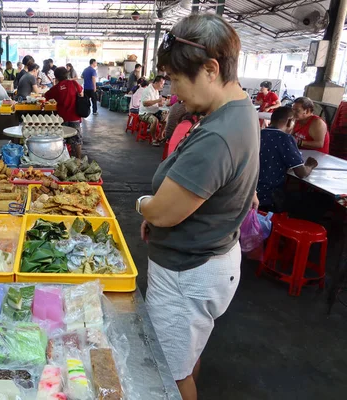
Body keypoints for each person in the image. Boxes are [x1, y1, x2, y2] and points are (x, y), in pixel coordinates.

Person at [137, 14, 259, 400]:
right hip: (207, 256)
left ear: (211, 69)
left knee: (170, 372)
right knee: (184, 359)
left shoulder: (220, 134)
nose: (172, 91)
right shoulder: (236, 111)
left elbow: (163, 212)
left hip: (187, 270)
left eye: (175, 79)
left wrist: (147, 207)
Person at [257, 106, 318, 210]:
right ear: (290, 121)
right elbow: (301, 173)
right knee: (315, 201)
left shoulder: (259, 134)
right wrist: (310, 165)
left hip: (250, 192)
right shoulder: (285, 138)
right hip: (269, 196)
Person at [45, 67, 84, 158]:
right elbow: (81, 93)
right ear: (67, 75)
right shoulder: (74, 83)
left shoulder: (57, 87)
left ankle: (64, 158)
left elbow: (46, 96)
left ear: (56, 77)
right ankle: (78, 160)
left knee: (62, 139)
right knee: (77, 139)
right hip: (75, 116)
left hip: (62, 117)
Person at [139, 75, 166, 145]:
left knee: (167, 118)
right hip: (144, 113)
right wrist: (158, 100)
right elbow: (145, 103)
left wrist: (159, 104)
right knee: (155, 120)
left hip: (154, 111)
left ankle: (160, 135)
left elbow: (154, 103)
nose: (163, 85)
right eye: (162, 83)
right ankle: (154, 139)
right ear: (157, 82)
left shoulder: (156, 91)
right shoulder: (147, 90)